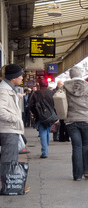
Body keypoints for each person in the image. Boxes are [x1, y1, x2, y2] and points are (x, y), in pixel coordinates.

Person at [64, 67, 88, 181]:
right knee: (85, 146)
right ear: (81, 75)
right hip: (86, 120)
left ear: (70, 76)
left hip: (71, 120)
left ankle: (77, 175)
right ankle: (86, 171)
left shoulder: (65, 87)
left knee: (76, 147)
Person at [0, 64, 28, 193]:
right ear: (13, 78)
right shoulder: (4, 90)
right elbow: (1, 111)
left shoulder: (9, 89)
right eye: (20, 75)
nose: (22, 78)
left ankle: (11, 185)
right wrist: (15, 119)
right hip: (8, 129)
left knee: (10, 158)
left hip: (10, 129)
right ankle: (8, 187)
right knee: (8, 160)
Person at [29, 79, 57, 159]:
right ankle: (46, 148)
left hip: (40, 117)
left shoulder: (35, 94)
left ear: (39, 85)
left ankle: (45, 151)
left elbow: (31, 105)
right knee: (48, 131)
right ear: (47, 85)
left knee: (43, 133)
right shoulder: (52, 93)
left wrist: (36, 113)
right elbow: (56, 104)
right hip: (50, 117)